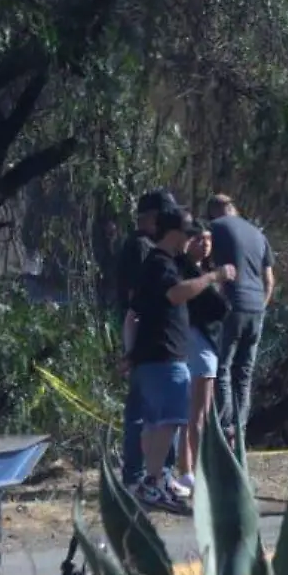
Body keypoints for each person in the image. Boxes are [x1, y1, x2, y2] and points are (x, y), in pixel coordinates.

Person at [129, 210, 235, 510]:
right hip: (165, 355)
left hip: (152, 356)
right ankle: (153, 481)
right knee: (171, 422)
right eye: (189, 234)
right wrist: (214, 276)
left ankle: (155, 480)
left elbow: (131, 315)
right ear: (174, 233)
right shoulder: (163, 264)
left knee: (154, 422)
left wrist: (130, 353)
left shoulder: (155, 264)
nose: (191, 240)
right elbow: (176, 294)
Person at [116, 189, 180, 486]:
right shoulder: (142, 248)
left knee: (149, 412)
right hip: (147, 341)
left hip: (144, 340)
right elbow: (136, 300)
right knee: (149, 414)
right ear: (153, 218)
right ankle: (146, 475)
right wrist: (134, 348)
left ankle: (149, 474)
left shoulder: (140, 246)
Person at [205, 194, 275, 448]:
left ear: (213, 212)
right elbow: (270, 281)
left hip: (233, 306)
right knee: (244, 373)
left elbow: (205, 267)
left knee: (222, 367)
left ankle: (223, 426)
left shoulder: (215, 229)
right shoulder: (258, 234)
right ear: (234, 207)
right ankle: (239, 429)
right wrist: (260, 307)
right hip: (257, 309)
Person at [179, 218, 232, 476]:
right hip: (197, 341)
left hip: (209, 343)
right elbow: (217, 306)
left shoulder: (206, 270)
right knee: (195, 415)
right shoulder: (189, 272)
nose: (205, 244)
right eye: (199, 239)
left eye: (208, 239)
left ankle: (191, 469)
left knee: (200, 414)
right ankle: (197, 471)